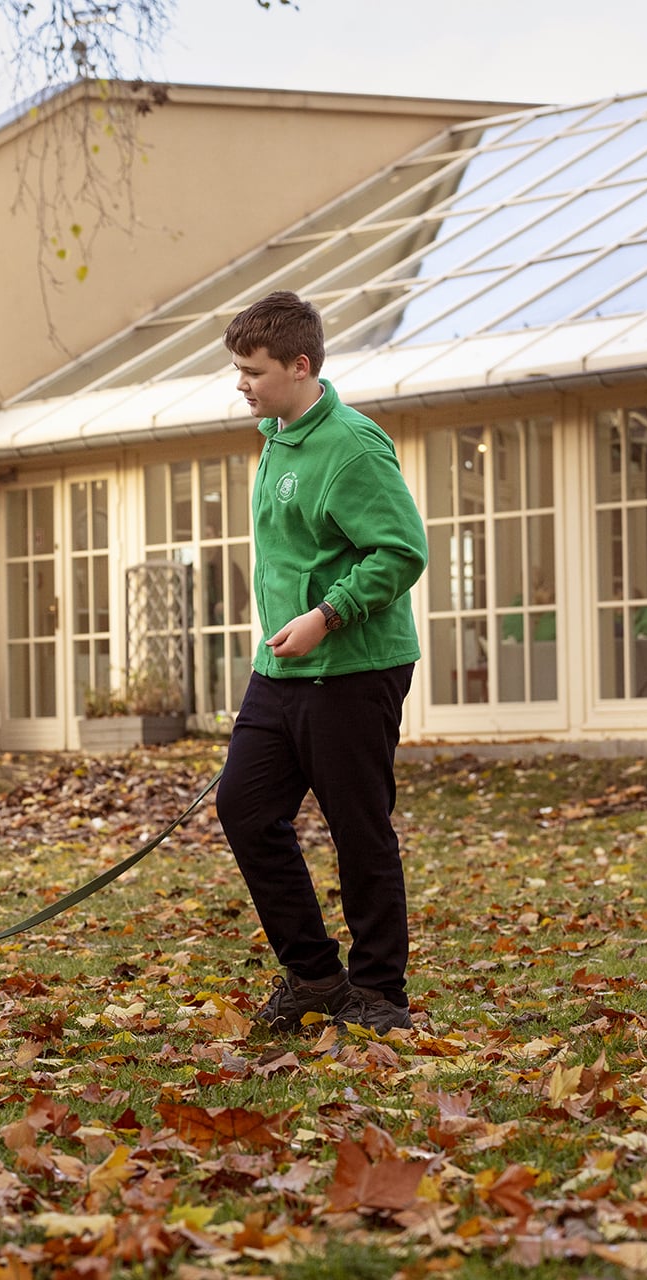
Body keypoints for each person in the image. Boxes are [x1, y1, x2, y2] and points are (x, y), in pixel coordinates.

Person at [216, 291, 428, 1036]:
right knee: (243, 808)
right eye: (237, 368)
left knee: (358, 829)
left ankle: (380, 993)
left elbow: (402, 552)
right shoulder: (279, 436)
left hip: (355, 668)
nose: (241, 382)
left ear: (300, 367)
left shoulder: (353, 444)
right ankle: (313, 976)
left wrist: (325, 615)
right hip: (282, 673)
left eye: (253, 369)